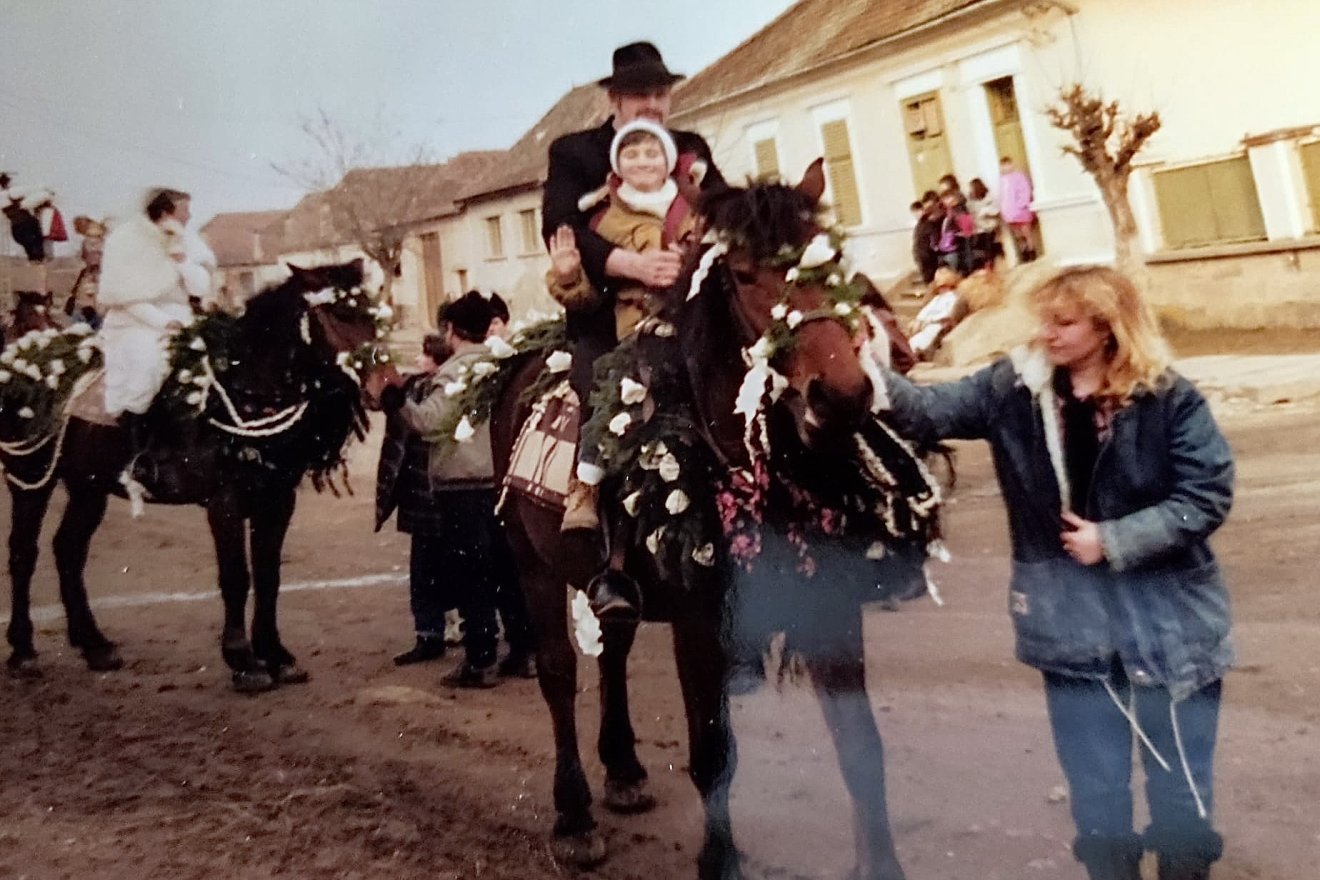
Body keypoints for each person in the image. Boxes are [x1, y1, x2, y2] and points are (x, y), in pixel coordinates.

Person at [878, 266, 1234, 880]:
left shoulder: (1170, 397)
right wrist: (854, 360)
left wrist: (1115, 539)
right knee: (1097, 798)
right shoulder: (1012, 390)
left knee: (1181, 793)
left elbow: (1207, 494)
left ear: (1106, 328)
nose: (1046, 334)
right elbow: (927, 412)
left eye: (1063, 322)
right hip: (1070, 631)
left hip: (1173, 628)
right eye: (1044, 320)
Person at [541, 41, 725, 538]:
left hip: (690, 308)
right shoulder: (575, 151)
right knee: (594, 377)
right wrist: (634, 266)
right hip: (608, 310)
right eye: (639, 94)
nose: (653, 104)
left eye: (660, 93)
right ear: (614, 101)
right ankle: (588, 493)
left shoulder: (691, 148)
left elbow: (723, 213)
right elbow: (561, 227)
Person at [385, 292, 510, 687]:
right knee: (506, 571)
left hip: (463, 485)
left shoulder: (457, 372)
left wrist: (395, 402)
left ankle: (480, 659)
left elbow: (429, 423)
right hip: (501, 481)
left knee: (471, 575)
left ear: (452, 331)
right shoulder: (502, 362)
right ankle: (523, 650)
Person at [98, 188, 216, 425]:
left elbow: (200, 288)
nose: (189, 216)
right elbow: (126, 298)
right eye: (185, 210)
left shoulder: (187, 239)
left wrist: (181, 259)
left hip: (184, 319)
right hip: (135, 322)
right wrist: (163, 322)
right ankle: (132, 434)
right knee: (148, 364)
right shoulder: (125, 240)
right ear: (165, 212)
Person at [377, 333, 453, 665]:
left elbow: (423, 422)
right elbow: (375, 400)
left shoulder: (446, 388)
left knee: (451, 566)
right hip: (420, 497)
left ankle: (456, 630)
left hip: (442, 492)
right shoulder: (415, 385)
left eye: (425, 355)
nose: (420, 360)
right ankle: (429, 635)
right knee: (423, 570)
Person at [999, 156, 1039, 263]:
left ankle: (1032, 253)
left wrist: (1022, 204)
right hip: (1010, 212)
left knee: (1026, 232)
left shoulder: (1019, 177)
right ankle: (1024, 253)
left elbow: (1025, 191)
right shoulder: (1002, 180)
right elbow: (1003, 196)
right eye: (1003, 166)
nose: (1006, 168)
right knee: (1018, 235)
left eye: (1007, 164)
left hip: (1021, 210)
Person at [966, 177, 1001, 265]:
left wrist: (986, 211)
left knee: (987, 241)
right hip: (978, 228)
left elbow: (996, 210)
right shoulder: (971, 201)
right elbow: (971, 214)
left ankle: (990, 262)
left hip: (990, 226)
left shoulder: (988, 198)